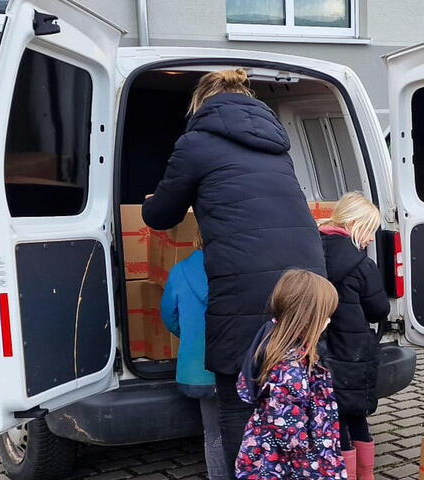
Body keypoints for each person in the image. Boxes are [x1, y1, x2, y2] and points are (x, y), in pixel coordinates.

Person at [141, 69, 326, 468]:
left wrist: (151, 200)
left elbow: (162, 214)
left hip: (245, 280)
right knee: (296, 393)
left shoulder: (195, 143)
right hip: (307, 278)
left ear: (201, 103)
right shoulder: (277, 146)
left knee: (239, 399)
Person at [235, 269, 347, 479]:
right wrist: (317, 455)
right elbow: (288, 431)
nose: (329, 322)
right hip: (292, 464)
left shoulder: (271, 340)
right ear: (307, 318)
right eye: (326, 316)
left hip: (277, 457)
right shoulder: (289, 366)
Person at [317, 192, 389, 480]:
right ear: (356, 224)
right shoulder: (362, 265)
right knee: (356, 415)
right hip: (353, 352)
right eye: (370, 230)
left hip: (320, 348)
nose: (371, 239)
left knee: (335, 420)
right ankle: (366, 475)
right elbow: (378, 309)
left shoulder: (312, 251)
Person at [160, 232, 228, 480]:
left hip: (198, 369)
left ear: (196, 239)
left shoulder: (179, 271)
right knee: (245, 427)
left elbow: (169, 316)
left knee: (213, 433)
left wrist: (189, 336)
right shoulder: (236, 267)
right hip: (236, 365)